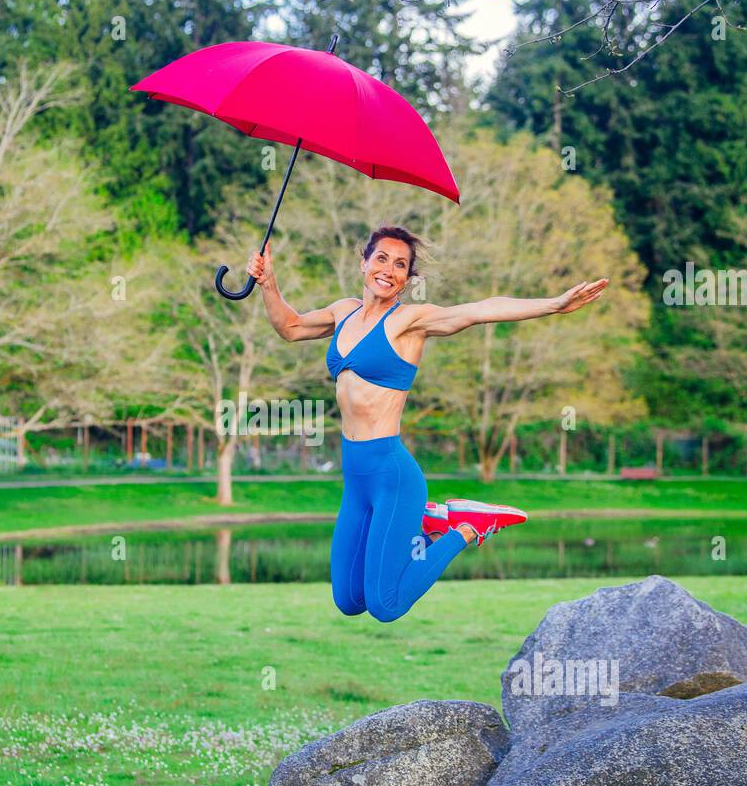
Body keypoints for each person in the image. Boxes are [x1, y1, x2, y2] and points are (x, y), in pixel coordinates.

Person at [247, 225, 608, 622]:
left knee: (386, 605)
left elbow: (479, 310)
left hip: (392, 474)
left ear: (407, 279)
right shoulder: (343, 311)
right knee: (349, 600)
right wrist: (269, 283)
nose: (389, 269)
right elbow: (291, 327)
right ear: (363, 261)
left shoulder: (409, 321)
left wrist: (553, 304)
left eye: (401, 265)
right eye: (381, 258)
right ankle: (430, 523)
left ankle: (467, 527)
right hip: (355, 476)